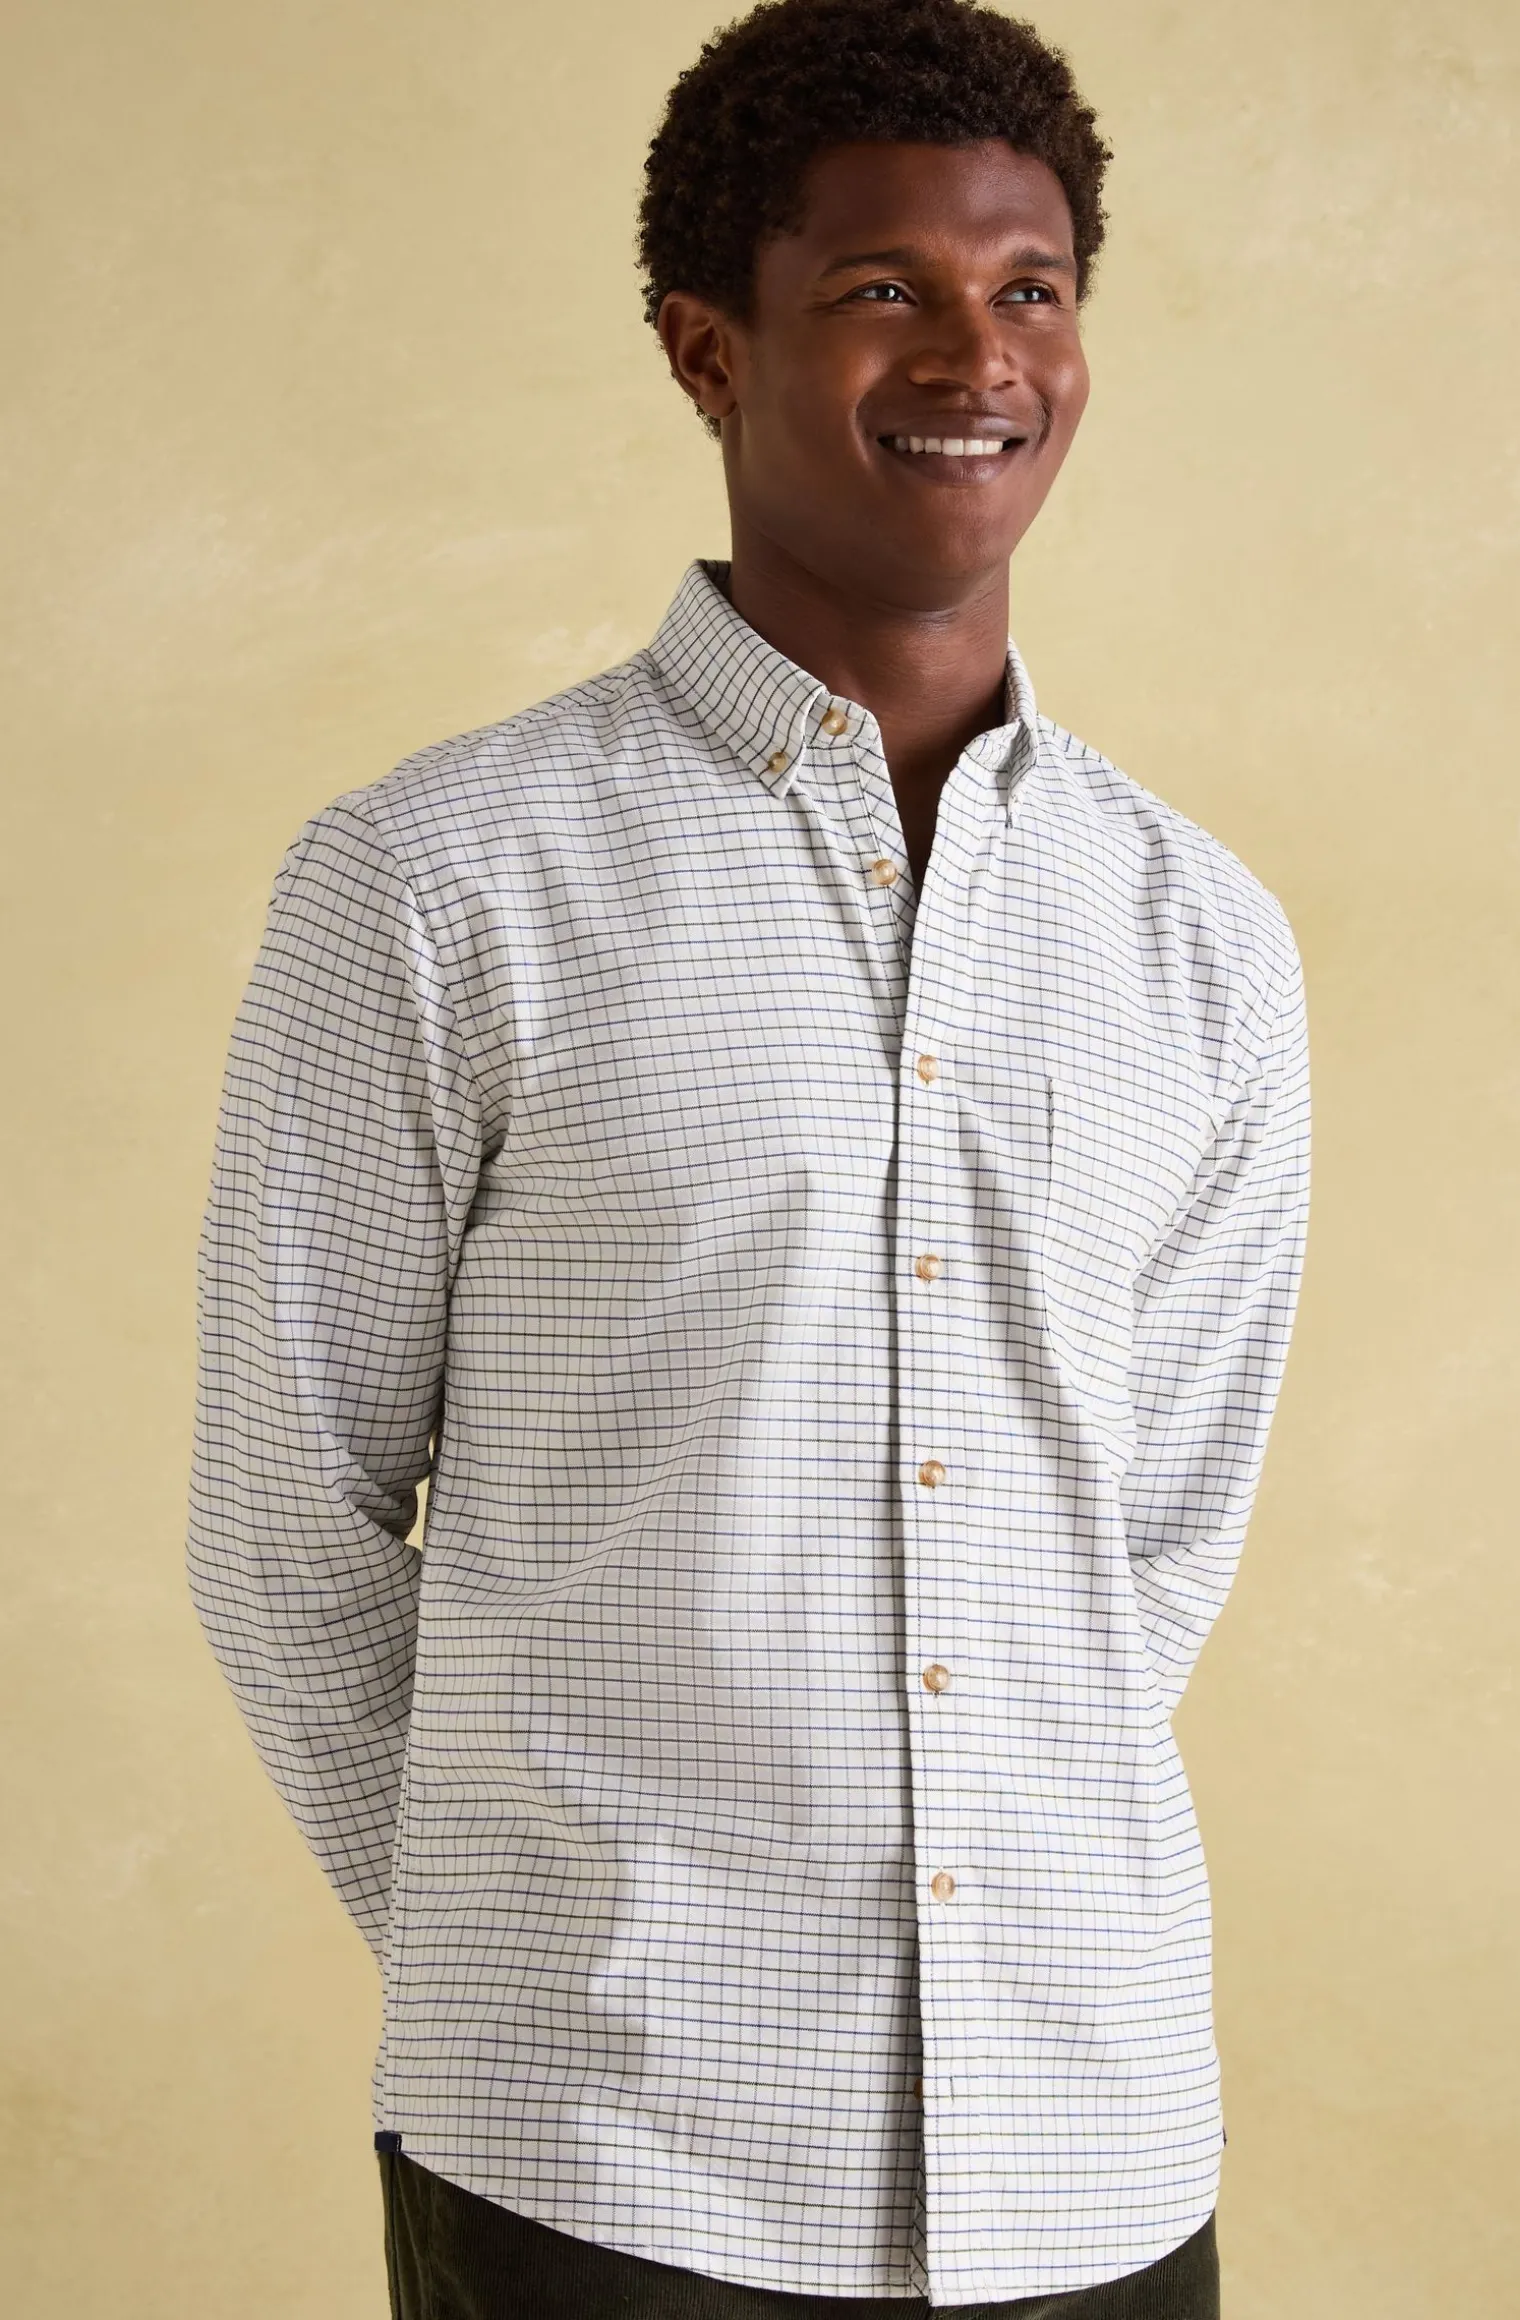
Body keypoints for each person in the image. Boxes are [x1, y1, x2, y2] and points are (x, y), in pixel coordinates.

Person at [188, 2, 1310, 2313]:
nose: (976, 357)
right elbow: (286, 1527)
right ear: (709, 349)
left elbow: (1152, 1540)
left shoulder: (1202, 935)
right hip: (605, 2160)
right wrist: (532, 1947)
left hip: (1092, 2143)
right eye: (885, 286)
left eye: (1029, 288)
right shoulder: (439, 879)